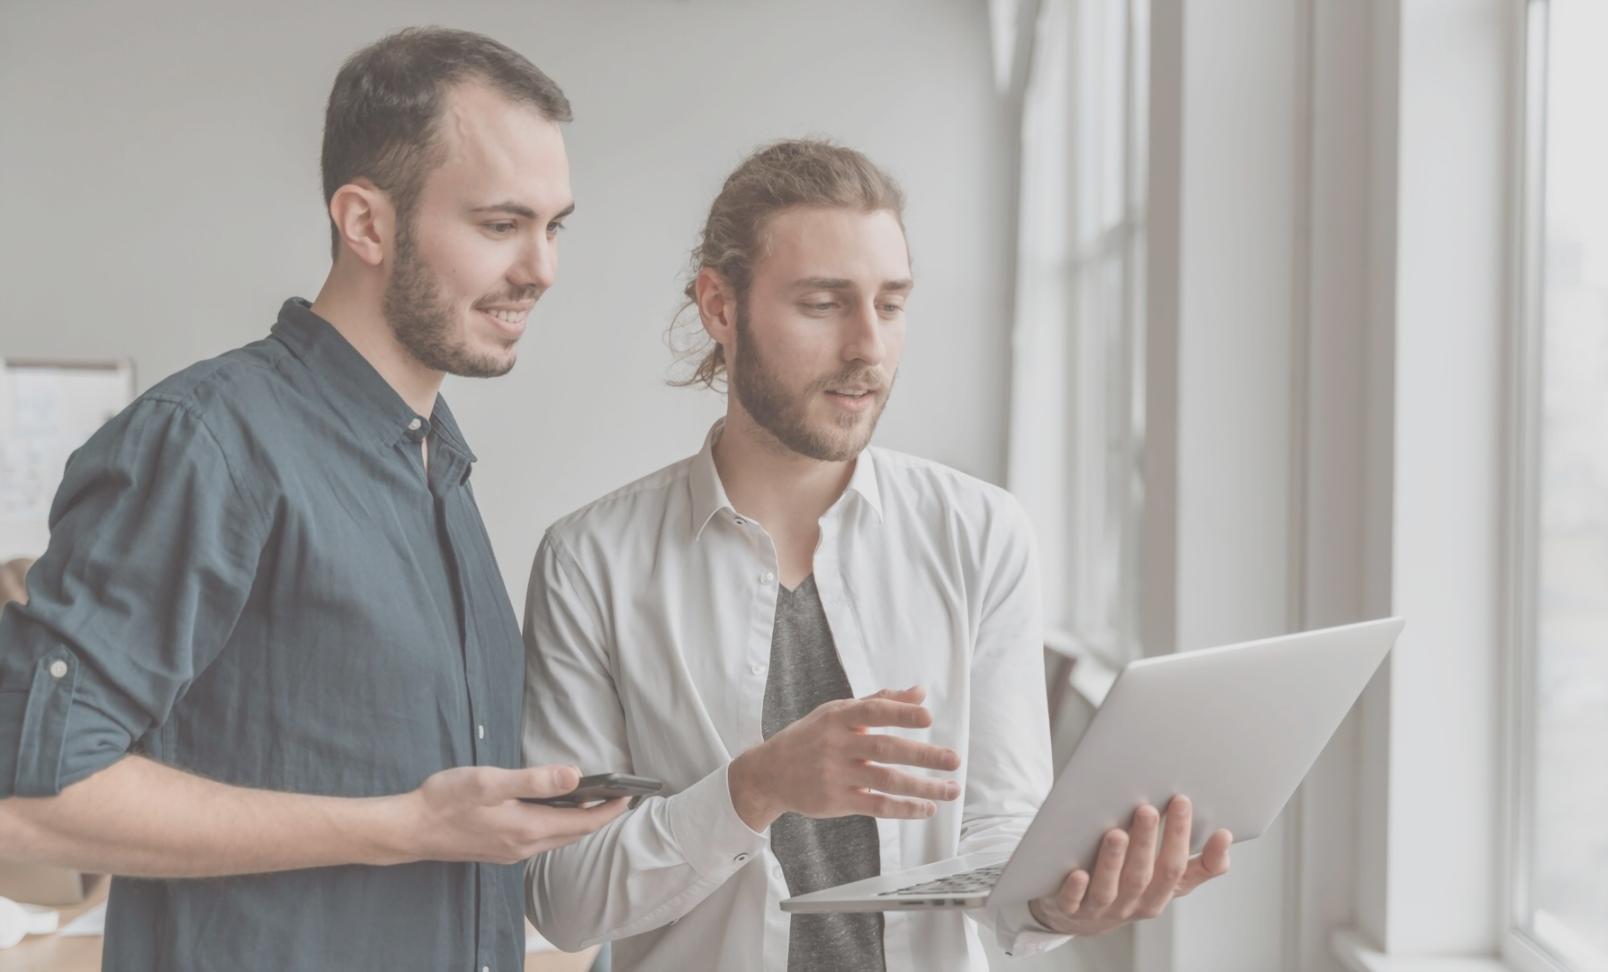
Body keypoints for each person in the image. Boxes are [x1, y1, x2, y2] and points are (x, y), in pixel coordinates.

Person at [521, 139, 1232, 970]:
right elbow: (563, 899)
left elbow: (1001, 830)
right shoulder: (591, 561)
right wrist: (755, 790)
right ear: (720, 306)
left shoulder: (980, 533)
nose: (869, 347)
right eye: (824, 304)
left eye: (890, 305)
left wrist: (1060, 898)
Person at [0, 27, 621, 971]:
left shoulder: (437, 466)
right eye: (502, 225)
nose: (542, 268)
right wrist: (404, 826)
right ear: (365, 223)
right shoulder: (206, 443)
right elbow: (28, 804)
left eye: (554, 225)